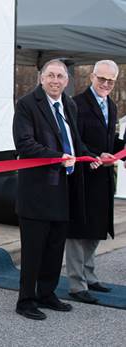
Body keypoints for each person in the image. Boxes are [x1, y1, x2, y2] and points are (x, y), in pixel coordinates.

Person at [12, 59, 100, 321]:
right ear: (41, 78)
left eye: (60, 76)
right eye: (50, 75)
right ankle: (25, 301)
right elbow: (24, 144)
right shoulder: (27, 105)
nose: (55, 81)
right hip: (37, 192)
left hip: (64, 190)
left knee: (54, 248)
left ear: (67, 80)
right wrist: (58, 156)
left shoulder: (69, 104)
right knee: (33, 251)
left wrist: (89, 155)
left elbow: (74, 142)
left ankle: (47, 294)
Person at [66, 60, 125, 303]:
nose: (106, 84)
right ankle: (76, 285)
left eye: (111, 80)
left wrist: (122, 150)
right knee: (79, 231)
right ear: (92, 77)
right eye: (102, 79)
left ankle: (89, 276)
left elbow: (110, 141)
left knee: (96, 230)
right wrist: (93, 155)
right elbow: (73, 140)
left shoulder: (111, 106)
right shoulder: (76, 104)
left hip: (102, 178)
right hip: (82, 177)